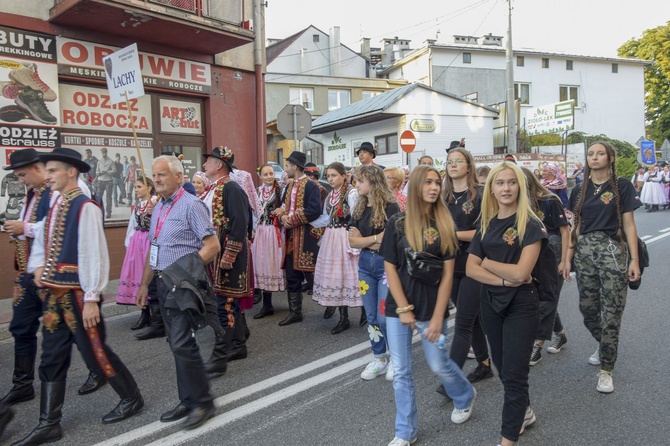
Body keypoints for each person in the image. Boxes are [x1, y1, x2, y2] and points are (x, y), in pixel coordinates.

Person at [14, 148, 144, 446]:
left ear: (71, 171)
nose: (47, 176)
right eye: (46, 171)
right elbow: (45, 234)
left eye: (53, 171)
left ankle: (131, 397)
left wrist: (90, 297)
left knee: (95, 351)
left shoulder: (85, 206)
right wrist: (38, 267)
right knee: (51, 354)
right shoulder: (58, 201)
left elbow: (92, 254)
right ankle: (49, 422)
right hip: (54, 294)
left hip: (78, 295)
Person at [2, 150, 105, 407]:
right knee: (24, 329)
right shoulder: (35, 193)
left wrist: (25, 228)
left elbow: (58, 227)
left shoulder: (61, 193)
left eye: (23, 175)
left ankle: (100, 370)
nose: (21, 180)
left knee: (76, 332)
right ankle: (23, 384)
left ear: (38, 168)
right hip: (32, 274)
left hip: (60, 277)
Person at [382, 165, 477, 446]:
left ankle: (465, 395)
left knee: (438, 365)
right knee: (401, 371)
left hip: (432, 307)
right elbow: (390, 267)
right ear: (416, 187)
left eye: (437, 182)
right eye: (428, 183)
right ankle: (405, 432)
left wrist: (438, 317)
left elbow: (448, 275)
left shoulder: (445, 224)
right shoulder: (396, 224)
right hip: (397, 308)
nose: (434, 187)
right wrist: (402, 308)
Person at [135, 155, 220, 429]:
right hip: (162, 283)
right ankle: (188, 398)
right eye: (154, 175)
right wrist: (144, 284)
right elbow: (154, 248)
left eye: (162, 175)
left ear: (179, 177)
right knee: (176, 344)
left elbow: (212, 245)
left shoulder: (191, 205)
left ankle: (203, 402)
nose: (156, 180)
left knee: (183, 342)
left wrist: (183, 273)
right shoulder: (159, 207)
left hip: (181, 284)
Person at [466, 161, 547, 446]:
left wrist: (487, 263)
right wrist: (501, 277)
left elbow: (522, 274)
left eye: (511, 182)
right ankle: (524, 412)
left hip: (522, 305)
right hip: (491, 302)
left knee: (514, 375)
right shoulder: (486, 224)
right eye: (500, 183)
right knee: (502, 367)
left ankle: (507, 439)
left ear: (520, 186)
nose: (506, 188)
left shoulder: (531, 224)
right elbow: (470, 268)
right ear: (491, 189)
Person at [564, 141, 641, 394]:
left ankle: (607, 369)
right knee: (587, 310)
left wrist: (634, 259)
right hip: (585, 254)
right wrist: (567, 258)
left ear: (610, 157)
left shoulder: (622, 186)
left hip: (613, 254)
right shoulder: (579, 189)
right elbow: (575, 226)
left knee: (612, 313)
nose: (594, 158)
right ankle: (605, 343)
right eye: (590, 154)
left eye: (599, 153)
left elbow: (629, 224)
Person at [442, 148, 493, 387]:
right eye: (450, 161)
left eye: (458, 161)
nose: (453, 165)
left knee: (462, 323)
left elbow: (486, 232)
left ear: (468, 166)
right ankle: (484, 365)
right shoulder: (444, 197)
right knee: (472, 320)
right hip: (450, 264)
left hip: (474, 263)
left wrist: (453, 234)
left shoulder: (481, 194)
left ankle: (450, 381)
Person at [201, 146, 254, 374]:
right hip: (217, 253)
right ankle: (238, 341)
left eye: (208, 161)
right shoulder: (214, 189)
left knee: (226, 303)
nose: (204, 166)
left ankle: (229, 348)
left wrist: (230, 254)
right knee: (225, 300)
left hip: (228, 255)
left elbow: (241, 222)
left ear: (219, 164)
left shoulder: (231, 188)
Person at [349, 165, 400, 380]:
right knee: (371, 316)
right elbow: (352, 240)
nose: (356, 184)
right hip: (364, 266)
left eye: (360, 181)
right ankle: (379, 357)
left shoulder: (391, 206)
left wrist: (366, 241)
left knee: (384, 315)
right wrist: (377, 239)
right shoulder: (359, 207)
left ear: (372, 181)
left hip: (385, 266)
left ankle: (396, 359)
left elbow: (392, 241)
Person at [522, 169, 569, 365]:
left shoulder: (550, 200)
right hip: (533, 250)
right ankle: (560, 333)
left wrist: (565, 261)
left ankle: (537, 345)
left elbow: (566, 231)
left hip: (553, 248)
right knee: (542, 296)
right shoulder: (520, 203)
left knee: (548, 298)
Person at [273, 151, 323, 326]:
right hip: (290, 238)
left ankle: (332, 303)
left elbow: (314, 209)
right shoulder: (289, 186)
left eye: (287, 165)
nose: (285, 169)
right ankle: (295, 312)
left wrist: (292, 220)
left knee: (313, 274)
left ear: (295, 167)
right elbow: (284, 207)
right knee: (292, 274)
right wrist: (282, 216)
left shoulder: (310, 186)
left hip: (306, 236)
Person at [311, 162, 361, 334]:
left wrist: (355, 238)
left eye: (334, 175)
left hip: (345, 237)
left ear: (343, 175)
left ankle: (364, 312)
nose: (330, 179)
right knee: (336, 277)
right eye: (329, 176)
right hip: (331, 238)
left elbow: (357, 216)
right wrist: (307, 220)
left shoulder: (352, 193)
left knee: (351, 275)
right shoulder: (331, 195)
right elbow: (326, 218)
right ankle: (343, 317)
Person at [117, 177, 158, 332]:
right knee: (138, 276)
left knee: (148, 277)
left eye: (139, 187)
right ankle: (144, 312)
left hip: (148, 241)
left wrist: (153, 213)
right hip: (138, 243)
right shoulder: (138, 206)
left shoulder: (155, 202)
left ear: (149, 188)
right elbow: (132, 225)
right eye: (135, 187)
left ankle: (154, 313)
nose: (136, 189)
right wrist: (130, 243)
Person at [252, 164, 286, 319]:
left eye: (271, 173)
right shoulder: (256, 192)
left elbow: (286, 207)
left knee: (272, 263)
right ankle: (266, 304)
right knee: (261, 263)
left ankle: (276, 304)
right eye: (265, 174)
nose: (269, 177)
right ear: (260, 176)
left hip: (273, 232)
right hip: (260, 231)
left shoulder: (280, 191)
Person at [95, 147, 115, 218]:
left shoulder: (111, 161)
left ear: (106, 152)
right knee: (99, 197)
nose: (103, 154)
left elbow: (114, 170)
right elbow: (96, 171)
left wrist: (107, 172)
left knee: (108, 197)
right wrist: (99, 173)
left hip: (109, 181)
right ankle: (98, 212)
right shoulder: (99, 161)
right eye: (102, 153)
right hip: (100, 180)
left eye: (104, 153)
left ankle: (108, 212)